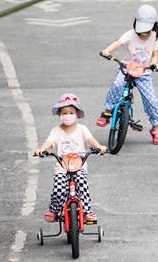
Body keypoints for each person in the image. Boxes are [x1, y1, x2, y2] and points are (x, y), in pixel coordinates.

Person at [95, 4, 158, 145]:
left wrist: (154, 63)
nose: (143, 34)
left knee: (151, 100)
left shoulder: (155, 36)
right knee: (117, 84)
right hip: (127, 68)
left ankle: (155, 128)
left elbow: (155, 54)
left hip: (144, 71)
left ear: (154, 25)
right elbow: (118, 42)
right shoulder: (131, 34)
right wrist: (106, 51)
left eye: (146, 30)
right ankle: (107, 112)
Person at [34, 93, 106, 223]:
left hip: (79, 165)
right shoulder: (56, 130)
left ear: (77, 114)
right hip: (62, 166)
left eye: (71, 112)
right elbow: (49, 142)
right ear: (59, 115)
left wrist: (99, 146)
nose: (68, 116)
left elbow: (90, 140)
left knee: (82, 185)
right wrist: (41, 149)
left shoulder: (82, 129)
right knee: (59, 188)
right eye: (65, 113)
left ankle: (87, 212)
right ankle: (54, 210)